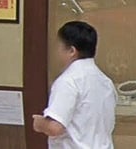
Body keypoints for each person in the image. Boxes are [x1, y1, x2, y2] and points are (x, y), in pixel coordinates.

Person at [32, 21, 116, 149]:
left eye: (59, 47)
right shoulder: (105, 82)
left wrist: (39, 123)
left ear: (72, 51)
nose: (56, 52)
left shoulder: (68, 81)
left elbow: (55, 127)